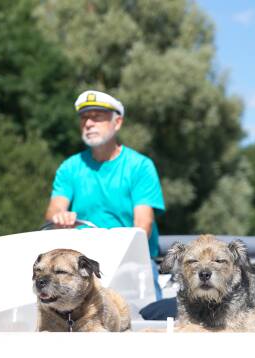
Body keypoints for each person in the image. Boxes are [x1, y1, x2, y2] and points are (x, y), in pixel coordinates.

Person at [45, 90, 166, 299]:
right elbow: (53, 211)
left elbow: (143, 225)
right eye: (84, 118)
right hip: (81, 267)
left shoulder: (140, 166)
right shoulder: (70, 167)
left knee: (147, 322)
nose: (89, 123)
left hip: (133, 265)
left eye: (97, 117)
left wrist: (115, 257)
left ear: (117, 122)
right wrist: (60, 217)